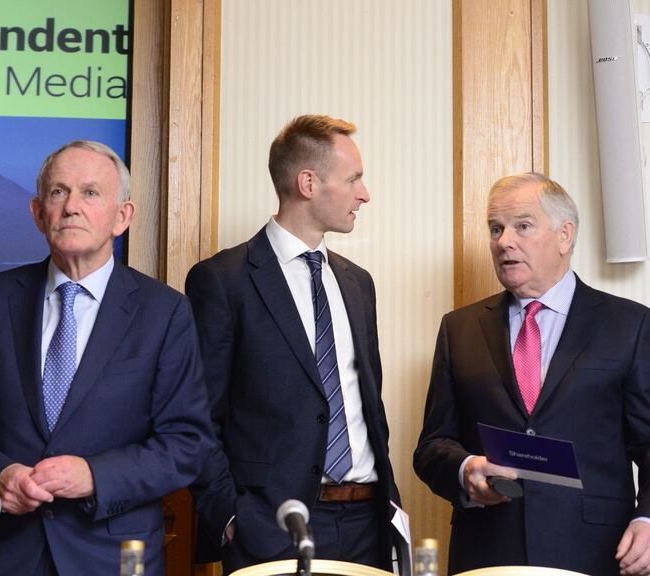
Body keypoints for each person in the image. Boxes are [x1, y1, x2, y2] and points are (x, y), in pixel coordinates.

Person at [0, 140, 212, 576]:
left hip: (114, 557)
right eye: (58, 192)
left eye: (90, 192)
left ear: (123, 217)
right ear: (38, 212)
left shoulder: (165, 312)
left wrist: (95, 476)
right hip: (7, 552)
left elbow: (187, 443)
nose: (71, 207)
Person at [186, 115, 401, 572]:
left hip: (367, 524)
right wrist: (229, 516)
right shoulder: (222, 281)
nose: (365, 193)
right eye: (354, 179)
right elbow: (198, 418)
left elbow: (367, 407)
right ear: (308, 182)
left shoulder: (358, 283)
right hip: (272, 530)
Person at [414, 172, 650, 575]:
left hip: (596, 553)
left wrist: (648, 520)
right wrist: (465, 467)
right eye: (495, 229)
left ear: (564, 235)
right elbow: (432, 445)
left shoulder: (630, 325)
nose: (504, 241)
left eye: (522, 226)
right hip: (487, 551)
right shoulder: (459, 329)